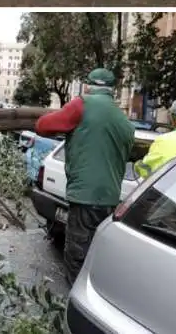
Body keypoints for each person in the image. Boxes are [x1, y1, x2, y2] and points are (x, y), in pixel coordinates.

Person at [34, 68, 134, 284]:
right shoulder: (124, 121)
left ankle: (76, 306)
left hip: (85, 196)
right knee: (95, 254)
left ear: (88, 86)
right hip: (110, 199)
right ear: (111, 91)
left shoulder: (82, 104)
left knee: (76, 255)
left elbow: (43, 126)